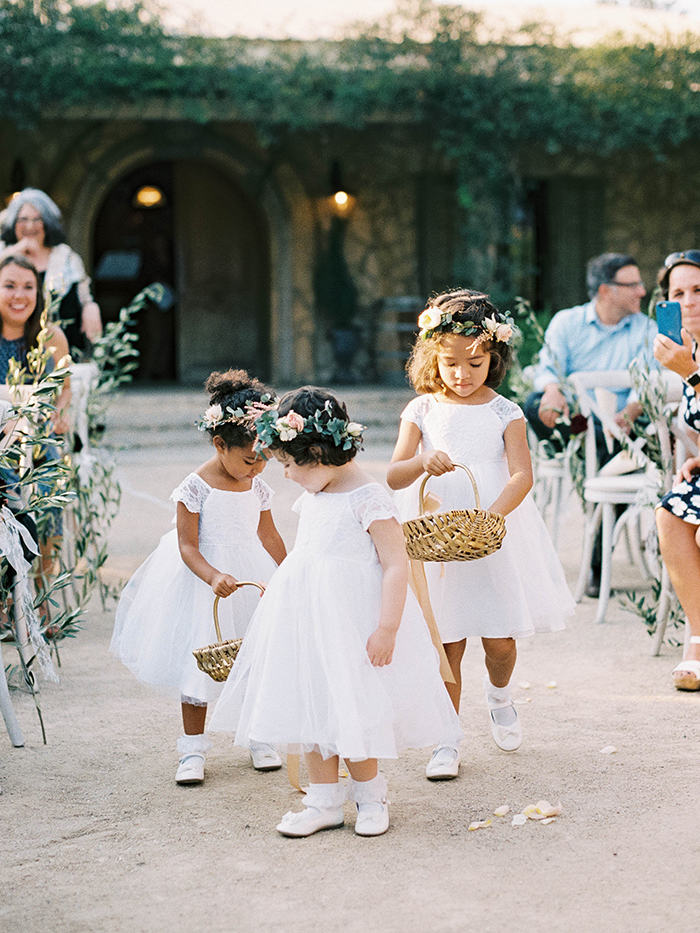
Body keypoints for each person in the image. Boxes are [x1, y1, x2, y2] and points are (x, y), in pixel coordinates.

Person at [209, 387, 461, 838]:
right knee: (310, 705)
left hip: (353, 624)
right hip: (308, 618)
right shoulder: (316, 492)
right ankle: (323, 801)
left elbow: (395, 564)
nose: (285, 474)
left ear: (318, 453)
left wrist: (387, 628)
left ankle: (370, 797)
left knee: (352, 707)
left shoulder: (369, 497)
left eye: (289, 464)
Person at [387, 289, 574, 780]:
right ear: (432, 357)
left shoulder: (505, 411)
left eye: (474, 363)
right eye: (450, 363)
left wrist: (491, 518)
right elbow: (394, 476)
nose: (461, 374)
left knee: (499, 640)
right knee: (446, 641)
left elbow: (522, 475)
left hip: (492, 531)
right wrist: (422, 460)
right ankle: (445, 738)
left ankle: (500, 695)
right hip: (438, 538)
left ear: (495, 357)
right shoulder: (421, 410)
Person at [110, 370, 287, 784]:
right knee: (200, 665)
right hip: (204, 583)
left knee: (255, 656)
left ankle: (258, 736)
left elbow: (268, 535)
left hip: (250, 577)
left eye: (264, 458)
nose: (258, 468)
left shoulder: (257, 487)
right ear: (220, 444)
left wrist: (288, 572)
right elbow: (187, 546)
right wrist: (212, 575)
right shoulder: (195, 487)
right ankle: (192, 750)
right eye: (250, 460)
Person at [524, 252, 657, 596]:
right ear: (605, 290)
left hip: (623, 426)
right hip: (578, 424)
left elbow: (648, 381)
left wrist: (630, 414)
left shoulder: (645, 328)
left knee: (619, 452)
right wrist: (553, 390)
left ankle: (597, 565)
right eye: (633, 285)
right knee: (534, 403)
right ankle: (586, 456)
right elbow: (549, 368)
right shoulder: (567, 323)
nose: (642, 291)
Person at [0, 254, 71, 611]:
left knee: (49, 487)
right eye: (9, 286)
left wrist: (60, 413)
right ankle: (5, 597)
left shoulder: (50, 337)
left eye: (28, 287)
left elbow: (65, 389)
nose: (19, 295)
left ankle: (40, 594)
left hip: (38, 441)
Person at [653, 250, 700, 691]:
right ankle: (698, 638)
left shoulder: (690, 363)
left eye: (699, 290)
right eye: (678, 293)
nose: (688, 301)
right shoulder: (693, 351)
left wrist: (692, 375)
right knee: (669, 513)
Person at [0, 189, 102, 352]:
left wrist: (91, 308)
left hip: (65, 350)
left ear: (47, 223)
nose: (30, 226)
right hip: (15, 351)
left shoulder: (66, 257)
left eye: (37, 219)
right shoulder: (4, 254)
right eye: (23, 219)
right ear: (13, 222)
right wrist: (15, 251)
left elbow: (85, 297)